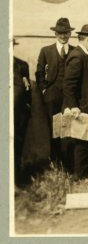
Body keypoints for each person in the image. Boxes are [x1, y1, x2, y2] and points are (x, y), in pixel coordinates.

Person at [62, 24, 88, 180]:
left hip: (85, 108)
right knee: (81, 143)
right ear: (87, 39)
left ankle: (83, 174)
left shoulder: (82, 55)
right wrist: (74, 107)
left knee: (85, 142)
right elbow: (68, 84)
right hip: (81, 108)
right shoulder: (77, 56)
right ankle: (80, 176)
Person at [35, 18, 76, 162]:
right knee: (53, 128)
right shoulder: (46, 51)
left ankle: (68, 163)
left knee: (69, 127)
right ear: (55, 34)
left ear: (70, 34)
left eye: (66, 33)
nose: (63, 36)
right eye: (60, 33)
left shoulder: (75, 51)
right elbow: (39, 71)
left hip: (70, 96)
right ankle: (54, 162)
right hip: (52, 94)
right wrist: (44, 90)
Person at [13, 39, 31, 185]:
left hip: (19, 114)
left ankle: (17, 177)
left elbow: (28, 91)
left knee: (17, 144)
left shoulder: (21, 65)